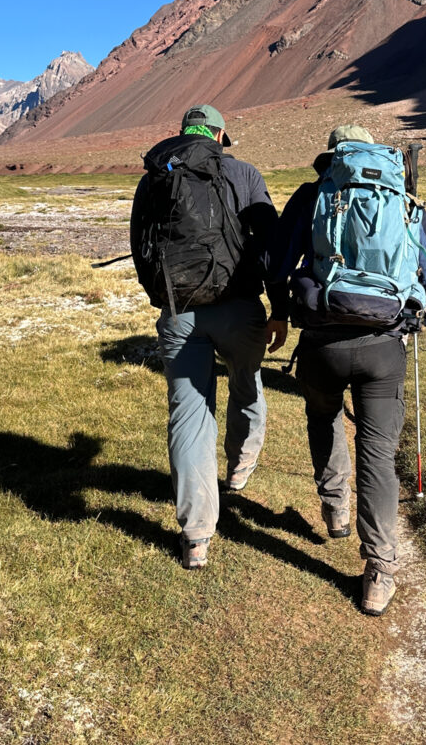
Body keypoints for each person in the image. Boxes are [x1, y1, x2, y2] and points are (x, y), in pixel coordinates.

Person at [266, 125, 426, 615]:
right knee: (377, 455)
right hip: (383, 347)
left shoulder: (313, 196)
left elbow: (276, 264)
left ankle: (335, 509)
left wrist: (281, 309)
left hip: (321, 343)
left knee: (323, 417)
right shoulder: (403, 200)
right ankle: (379, 572)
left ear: (333, 155)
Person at [130, 104, 287, 570]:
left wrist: (162, 298)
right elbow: (273, 245)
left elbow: (140, 245)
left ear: (183, 133)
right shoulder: (243, 173)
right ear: (220, 136)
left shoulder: (155, 176)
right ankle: (240, 467)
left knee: (189, 416)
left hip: (179, 311)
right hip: (240, 308)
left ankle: (196, 536)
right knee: (246, 378)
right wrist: (280, 308)